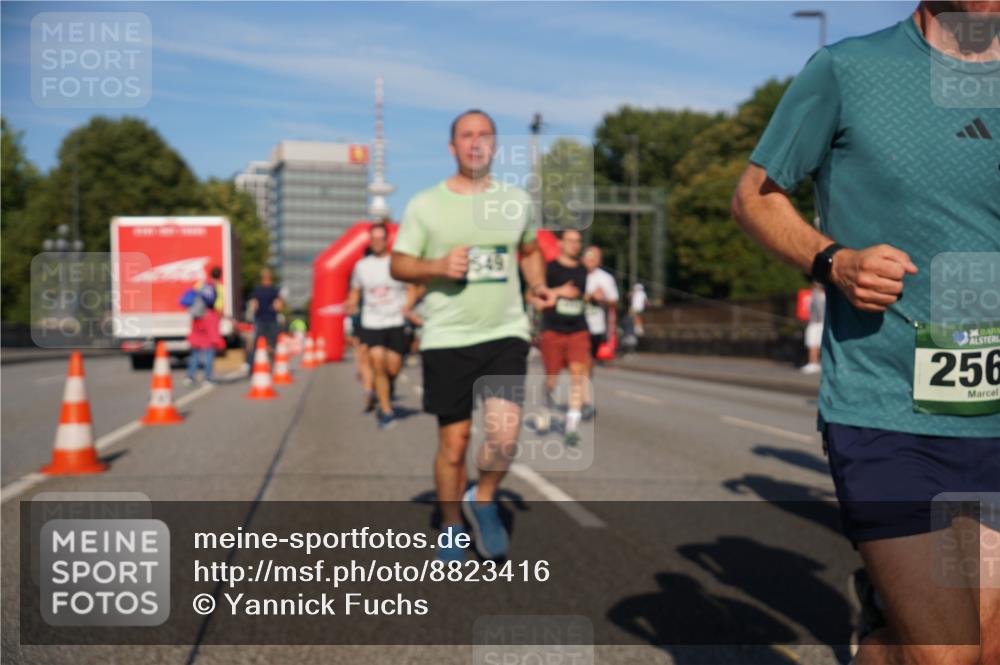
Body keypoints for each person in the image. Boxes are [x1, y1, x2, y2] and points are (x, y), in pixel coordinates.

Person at [731, 3, 999, 663]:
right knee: (950, 654)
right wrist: (835, 262)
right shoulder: (849, 70)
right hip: (886, 407)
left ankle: (880, 633)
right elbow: (754, 196)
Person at [391, 109, 555, 562]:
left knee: (504, 439)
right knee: (455, 444)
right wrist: (436, 266)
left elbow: (529, 251)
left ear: (495, 145)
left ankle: (482, 499)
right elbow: (398, 263)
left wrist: (537, 285)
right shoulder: (426, 204)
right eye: (467, 135)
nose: (476, 142)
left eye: (484, 135)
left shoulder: (516, 201)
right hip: (447, 336)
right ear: (452, 147)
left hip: (505, 332)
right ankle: (450, 524)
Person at [347, 222, 411, 429]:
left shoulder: (397, 263)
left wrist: (408, 306)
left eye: (380, 238)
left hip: (395, 321)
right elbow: (355, 291)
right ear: (369, 241)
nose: (376, 242)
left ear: (386, 239)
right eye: (373, 239)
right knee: (377, 361)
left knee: (393, 366)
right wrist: (351, 303)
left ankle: (384, 388)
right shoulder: (361, 266)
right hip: (371, 322)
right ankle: (386, 410)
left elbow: (412, 288)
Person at [539, 229, 591, 446]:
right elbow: (535, 295)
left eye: (578, 241)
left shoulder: (583, 270)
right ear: (560, 243)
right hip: (553, 329)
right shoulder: (549, 268)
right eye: (571, 241)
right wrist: (558, 292)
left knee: (578, 375)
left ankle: (571, 427)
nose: (575, 245)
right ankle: (545, 405)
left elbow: (582, 296)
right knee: (552, 378)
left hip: (578, 329)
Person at [581, 245, 619, 419]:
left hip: (596, 327)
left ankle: (583, 396)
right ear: (583, 259)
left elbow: (614, 301)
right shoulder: (576, 274)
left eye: (595, 258)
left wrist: (603, 298)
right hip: (576, 326)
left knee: (589, 364)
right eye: (589, 257)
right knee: (582, 364)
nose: (591, 261)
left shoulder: (606, 278)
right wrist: (589, 296)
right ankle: (585, 401)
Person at [184, 266, 224, 386]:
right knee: (210, 349)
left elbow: (192, 298)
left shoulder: (200, 284)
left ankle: (190, 376)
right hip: (210, 319)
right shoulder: (219, 288)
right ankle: (207, 378)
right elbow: (218, 306)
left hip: (197, 319)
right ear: (220, 275)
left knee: (196, 348)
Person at [248, 267, 283, 358]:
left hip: (260, 320)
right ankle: (272, 361)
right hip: (271, 320)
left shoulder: (257, 291)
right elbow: (278, 306)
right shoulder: (274, 291)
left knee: (258, 344)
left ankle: (256, 362)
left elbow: (253, 305)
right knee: (272, 344)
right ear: (270, 278)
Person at [801, 282, 825, 374]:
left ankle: (813, 363)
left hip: (816, 322)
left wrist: (818, 319)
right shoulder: (824, 295)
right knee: (817, 344)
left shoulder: (815, 294)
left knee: (812, 343)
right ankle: (815, 362)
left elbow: (818, 309)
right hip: (821, 322)